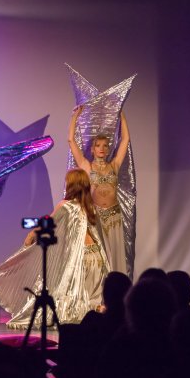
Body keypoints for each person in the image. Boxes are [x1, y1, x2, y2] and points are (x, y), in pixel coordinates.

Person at [0, 168, 109, 328]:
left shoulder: (65, 206)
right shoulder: (89, 208)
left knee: (68, 291)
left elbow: (48, 222)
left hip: (81, 259)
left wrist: (32, 233)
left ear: (71, 185)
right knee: (86, 294)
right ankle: (95, 308)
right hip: (95, 257)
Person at [67, 106, 131, 275]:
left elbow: (125, 140)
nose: (102, 148)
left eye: (105, 146)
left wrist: (121, 114)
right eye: (98, 145)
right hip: (96, 217)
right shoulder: (86, 166)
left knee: (115, 256)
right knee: (100, 258)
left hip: (114, 217)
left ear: (108, 149)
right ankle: (101, 288)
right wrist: (75, 117)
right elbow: (71, 141)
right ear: (92, 149)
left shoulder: (114, 165)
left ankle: (116, 287)